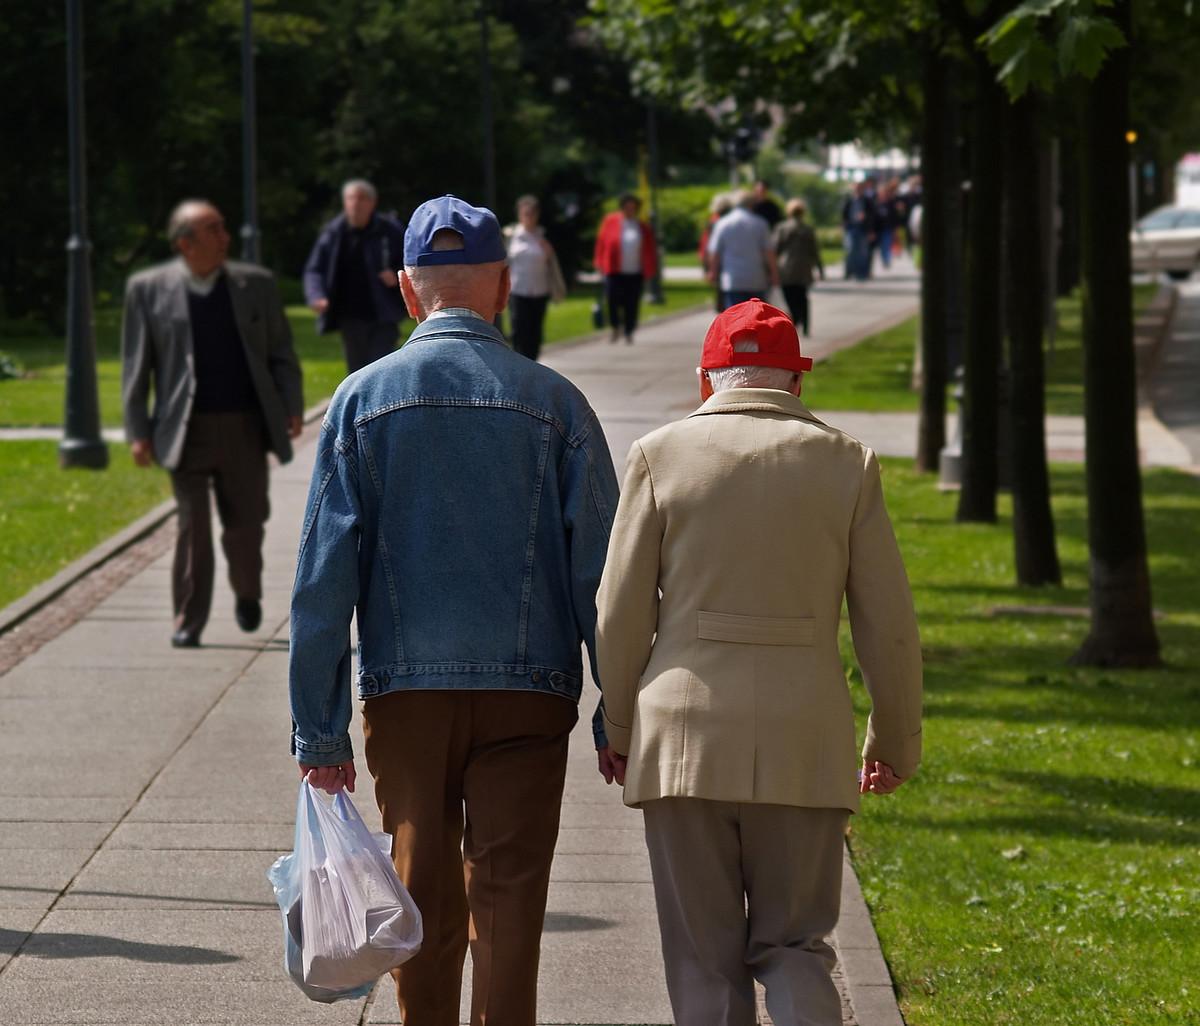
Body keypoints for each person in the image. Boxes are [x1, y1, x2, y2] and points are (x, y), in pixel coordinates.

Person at [289, 195, 620, 1026]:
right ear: (504, 287)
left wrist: (319, 733)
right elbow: (602, 578)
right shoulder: (557, 404)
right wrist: (619, 707)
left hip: (407, 691)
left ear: (407, 291)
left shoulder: (361, 403)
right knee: (508, 901)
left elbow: (321, 586)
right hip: (531, 690)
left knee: (421, 891)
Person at [594, 299, 923, 1026]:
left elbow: (619, 615)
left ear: (707, 380)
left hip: (681, 739)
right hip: (804, 738)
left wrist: (618, 726)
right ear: (796, 384)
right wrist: (895, 740)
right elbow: (888, 626)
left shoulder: (656, 455)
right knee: (798, 946)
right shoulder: (848, 465)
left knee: (704, 962)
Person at [121, 199, 304, 648]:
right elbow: (136, 365)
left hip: (244, 425)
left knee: (246, 522)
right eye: (214, 229)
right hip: (184, 429)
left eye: (223, 227)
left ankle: (247, 592)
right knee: (192, 526)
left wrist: (291, 404)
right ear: (186, 244)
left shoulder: (254, 285)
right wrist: (138, 430)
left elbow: (281, 352)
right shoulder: (148, 289)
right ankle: (188, 619)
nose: (226, 236)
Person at [302, 178, 408, 373]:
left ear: (372, 203)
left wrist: (396, 274)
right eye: (351, 198)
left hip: (383, 313)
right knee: (357, 371)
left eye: (362, 199)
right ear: (345, 202)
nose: (356, 204)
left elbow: (410, 261)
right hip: (349, 315)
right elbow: (315, 269)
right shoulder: (334, 232)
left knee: (381, 367)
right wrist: (316, 295)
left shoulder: (389, 230)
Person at [505, 194, 566, 361]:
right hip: (518, 290)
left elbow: (552, 265)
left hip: (539, 291)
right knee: (519, 328)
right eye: (526, 213)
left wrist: (549, 253)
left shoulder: (542, 237)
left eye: (532, 213)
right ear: (519, 214)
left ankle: (532, 362)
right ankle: (519, 361)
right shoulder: (511, 236)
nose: (529, 217)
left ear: (537, 215)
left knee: (535, 331)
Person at [593, 192, 658, 344]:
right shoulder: (610, 222)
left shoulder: (642, 227)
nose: (630, 210)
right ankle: (615, 326)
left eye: (633, 208)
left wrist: (650, 268)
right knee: (613, 300)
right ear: (622, 208)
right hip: (614, 270)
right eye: (627, 207)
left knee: (632, 302)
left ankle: (629, 330)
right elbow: (601, 243)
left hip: (635, 272)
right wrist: (599, 262)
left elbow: (650, 249)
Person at [706, 189, 778, 311]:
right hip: (756, 278)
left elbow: (715, 252)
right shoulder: (760, 223)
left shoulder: (723, 223)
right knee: (756, 317)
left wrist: (712, 271)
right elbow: (768, 252)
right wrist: (774, 273)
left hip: (732, 279)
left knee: (735, 318)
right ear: (752, 204)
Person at [772, 198, 825, 336]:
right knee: (802, 297)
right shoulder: (807, 229)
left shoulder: (782, 228)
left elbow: (775, 248)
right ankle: (805, 324)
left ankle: (793, 322)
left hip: (786, 268)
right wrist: (820, 269)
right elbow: (814, 251)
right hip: (803, 268)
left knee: (789, 298)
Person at [698, 192, 734, 312]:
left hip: (717, 262)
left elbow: (706, 246)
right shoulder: (727, 221)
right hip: (727, 262)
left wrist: (707, 267)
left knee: (721, 293)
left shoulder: (714, 221)